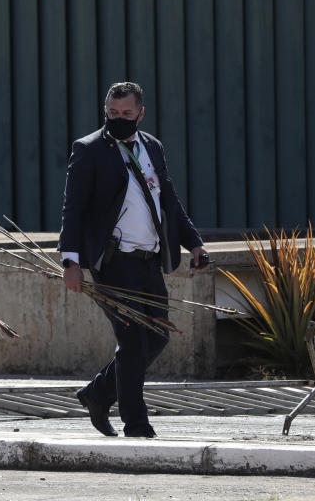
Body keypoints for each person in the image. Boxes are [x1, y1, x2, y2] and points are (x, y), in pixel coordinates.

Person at [59, 82, 209, 438]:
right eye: (112, 114)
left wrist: (195, 244)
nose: (118, 120)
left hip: (149, 261)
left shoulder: (152, 147)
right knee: (132, 342)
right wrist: (71, 262)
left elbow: (168, 202)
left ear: (141, 113)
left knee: (157, 337)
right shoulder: (89, 149)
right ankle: (136, 424)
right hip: (113, 263)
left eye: (126, 114)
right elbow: (73, 208)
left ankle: (98, 394)